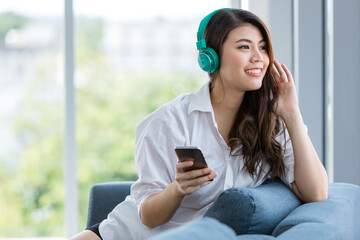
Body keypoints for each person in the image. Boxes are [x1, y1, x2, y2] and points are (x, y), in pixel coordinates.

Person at [71, 8, 328, 240]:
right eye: (244, 47)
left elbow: (317, 193)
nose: (258, 58)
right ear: (210, 58)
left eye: (262, 47)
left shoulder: (272, 120)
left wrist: (292, 114)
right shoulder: (168, 121)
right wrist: (178, 189)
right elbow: (147, 217)